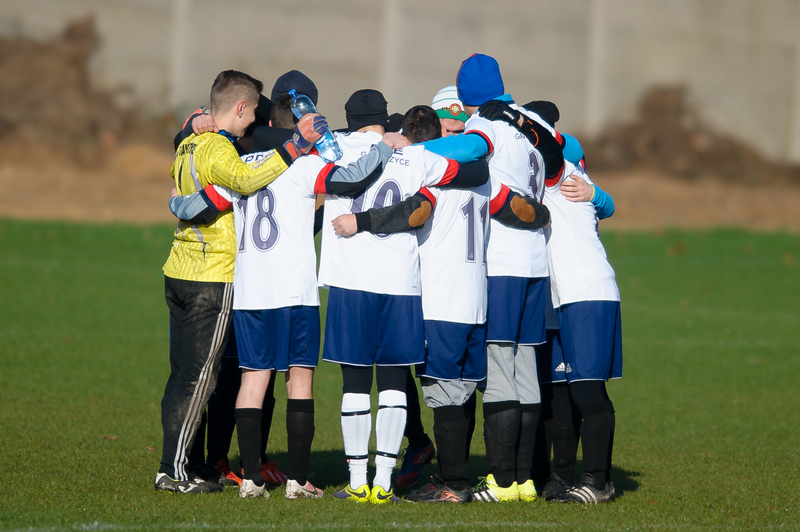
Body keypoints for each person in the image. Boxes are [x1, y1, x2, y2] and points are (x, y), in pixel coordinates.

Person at [169, 94, 404, 499]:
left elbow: (202, 202)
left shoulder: (240, 165)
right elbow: (351, 179)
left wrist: (175, 200)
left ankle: (252, 480)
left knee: (253, 379)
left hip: (250, 291)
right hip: (294, 290)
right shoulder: (304, 163)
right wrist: (385, 147)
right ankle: (298, 481)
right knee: (299, 380)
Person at [332, 106, 549, 504]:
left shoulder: (432, 176)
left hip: (440, 301)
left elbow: (414, 213)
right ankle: (495, 477)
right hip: (476, 302)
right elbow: (522, 210)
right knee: (466, 390)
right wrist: (543, 214)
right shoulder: (485, 182)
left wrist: (360, 222)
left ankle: (453, 483)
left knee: (443, 394)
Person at [155, 69, 326, 494]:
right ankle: (179, 469)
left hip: (204, 270)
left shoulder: (200, 141)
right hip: (218, 275)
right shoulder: (230, 149)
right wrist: (299, 147)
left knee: (209, 376)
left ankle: (215, 467)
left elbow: (210, 189)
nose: (252, 124)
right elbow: (244, 180)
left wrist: (181, 197)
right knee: (209, 377)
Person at [320, 95, 488, 504]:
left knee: (355, 382)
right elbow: (476, 167)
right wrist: (416, 147)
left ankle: (357, 482)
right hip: (400, 283)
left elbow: (276, 139)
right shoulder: (419, 156)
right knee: (395, 382)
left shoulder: (336, 146)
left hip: (351, 280)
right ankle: (384, 483)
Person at [416, 54, 563, 502]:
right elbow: (557, 167)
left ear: (465, 96)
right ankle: (524, 479)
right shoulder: (533, 119)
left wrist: (411, 151)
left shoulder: (487, 121)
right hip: (538, 262)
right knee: (524, 367)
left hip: (500, 260)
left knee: (500, 364)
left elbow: (468, 150)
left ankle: (501, 482)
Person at [536, 135, 622, 504]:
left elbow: (606, 202)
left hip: (585, 295)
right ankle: (561, 477)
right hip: (558, 299)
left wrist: (596, 194)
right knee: (559, 395)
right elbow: (608, 204)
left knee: (586, 390)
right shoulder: (560, 188)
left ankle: (599, 482)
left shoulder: (564, 180)